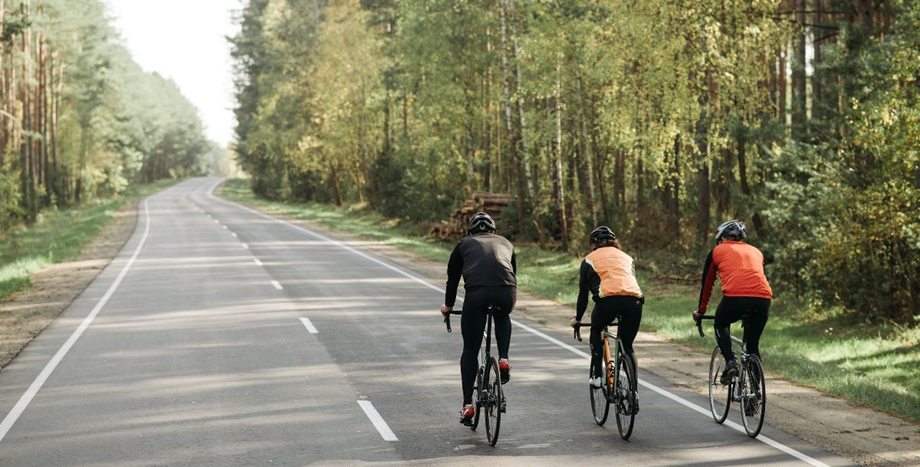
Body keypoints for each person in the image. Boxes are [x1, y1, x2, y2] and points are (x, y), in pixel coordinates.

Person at [440, 212, 516, 425]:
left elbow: (452, 280)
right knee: (502, 313)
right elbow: (512, 272)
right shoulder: (506, 242)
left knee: (471, 350)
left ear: (471, 231)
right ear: (493, 231)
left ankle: (468, 405)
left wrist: (448, 306)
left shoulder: (463, 244)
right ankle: (503, 359)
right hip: (506, 291)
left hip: (476, 294)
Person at [570, 226, 643, 407]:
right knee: (627, 345)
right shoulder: (627, 257)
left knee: (596, 328)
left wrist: (578, 318)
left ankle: (596, 375)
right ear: (613, 242)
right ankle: (633, 392)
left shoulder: (588, 260)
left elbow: (583, 294)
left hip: (607, 302)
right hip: (634, 301)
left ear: (594, 245)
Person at [693, 220, 772, 384]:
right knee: (752, 346)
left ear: (721, 238)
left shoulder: (717, 251)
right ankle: (756, 397)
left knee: (720, 323)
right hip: (763, 300)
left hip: (735, 298)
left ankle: (730, 362)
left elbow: (707, 284)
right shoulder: (756, 251)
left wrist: (701, 310)